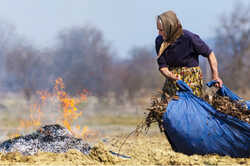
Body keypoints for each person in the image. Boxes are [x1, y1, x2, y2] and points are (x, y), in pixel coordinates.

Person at [155, 10, 223, 98]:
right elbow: (163, 67)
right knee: (167, 109)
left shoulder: (189, 38)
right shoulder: (159, 41)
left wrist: (215, 76)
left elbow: (209, 54)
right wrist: (171, 76)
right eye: (158, 30)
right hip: (172, 81)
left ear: (170, 28)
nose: (159, 33)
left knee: (192, 108)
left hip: (192, 81)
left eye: (162, 30)